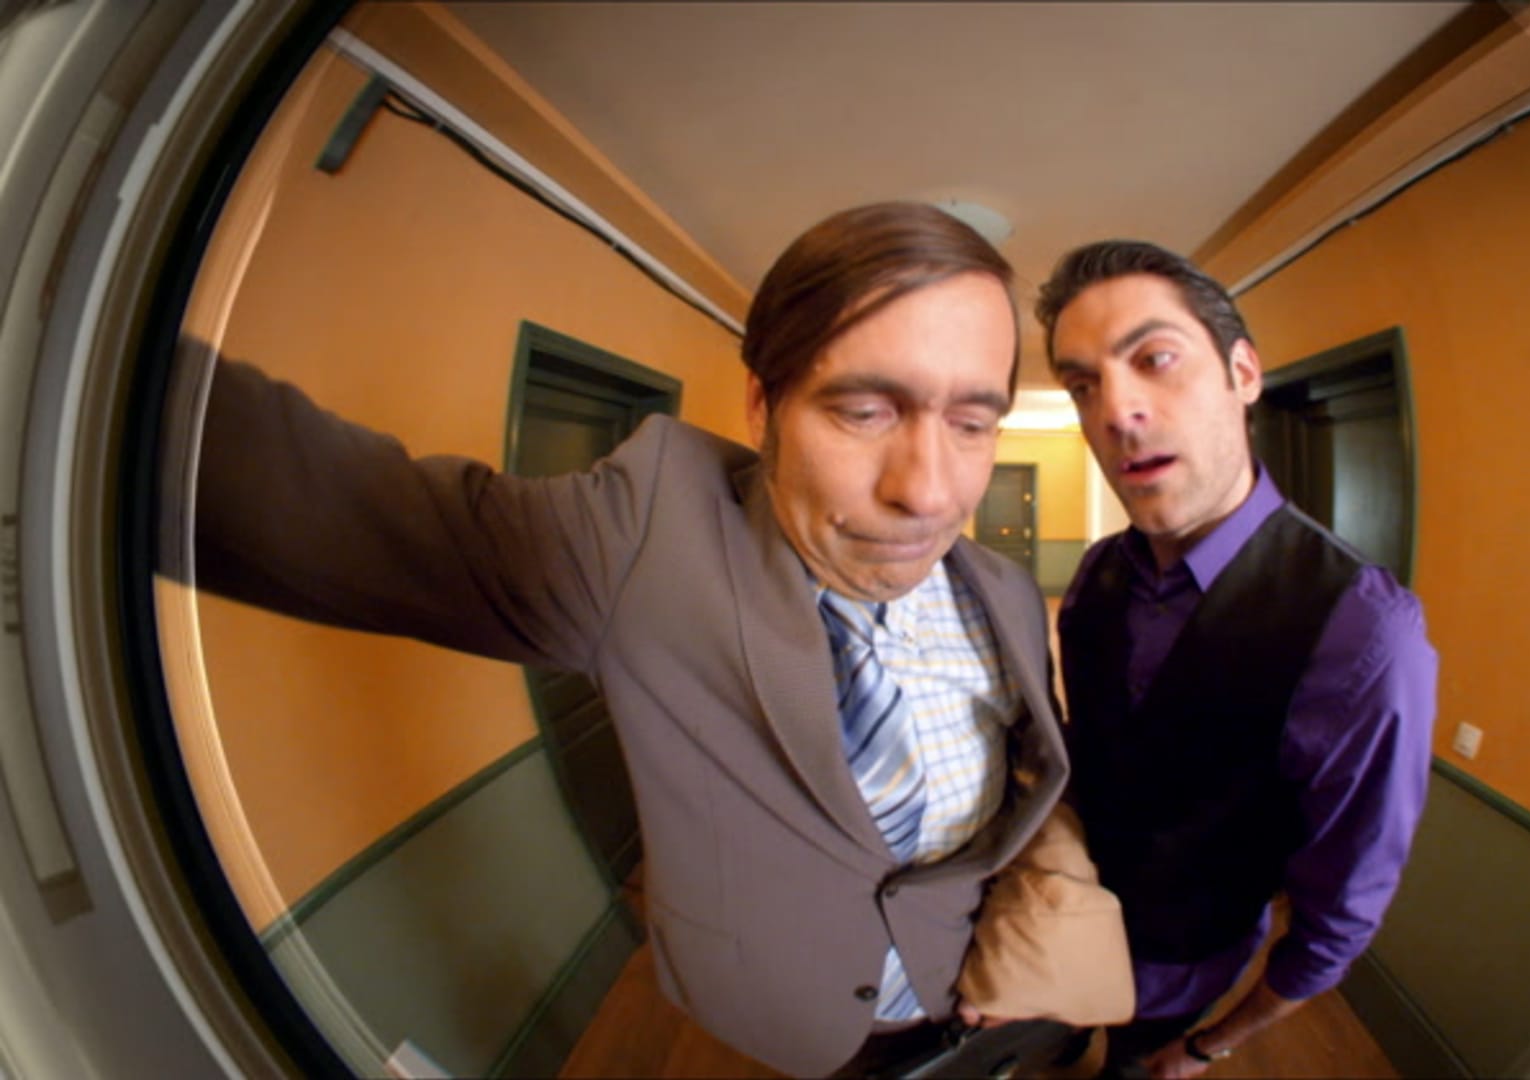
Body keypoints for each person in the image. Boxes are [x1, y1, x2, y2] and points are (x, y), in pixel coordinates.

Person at [188, 202, 1070, 1077]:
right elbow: (320, 501)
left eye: (971, 424)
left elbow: (1025, 788)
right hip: (766, 1036)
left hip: (965, 1001)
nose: (930, 493)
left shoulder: (1006, 596)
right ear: (761, 406)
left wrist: (1028, 935)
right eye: (866, 411)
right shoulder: (643, 539)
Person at [1035, 241, 1438, 1079]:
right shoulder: (1097, 575)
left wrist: (1209, 1046)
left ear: (1243, 372)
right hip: (1058, 927)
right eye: (1082, 385)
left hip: (1182, 969)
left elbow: (1342, 908)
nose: (1117, 411)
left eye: (1155, 359)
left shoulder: (1364, 633)